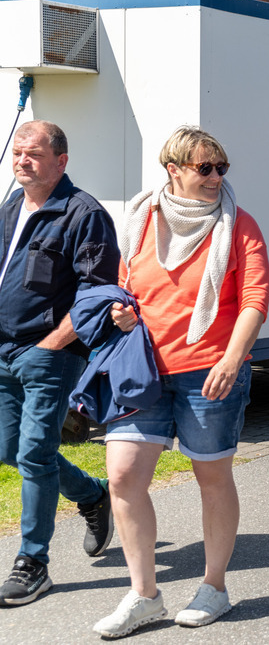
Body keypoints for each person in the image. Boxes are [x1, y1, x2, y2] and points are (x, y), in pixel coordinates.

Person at [94, 126, 269, 637]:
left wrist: (233, 359)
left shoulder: (240, 226)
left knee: (211, 478)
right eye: (204, 168)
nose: (217, 178)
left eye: (222, 168)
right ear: (173, 170)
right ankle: (144, 595)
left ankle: (214, 587)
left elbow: (255, 299)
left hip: (209, 370)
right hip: (144, 369)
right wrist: (123, 314)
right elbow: (128, 288)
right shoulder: (141, 220)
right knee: (124, 476)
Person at [0, 121, 118, 606]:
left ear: (61, 161)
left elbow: (96, 294)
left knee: (33, 453)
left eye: (33, 153)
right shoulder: (12, 205)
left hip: (50, 354)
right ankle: (92, 494)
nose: (22, 160)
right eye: (18, 153)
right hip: (4, 351)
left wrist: (53, 343)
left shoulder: (83, 214)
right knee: (10, 449)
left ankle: (33, 563)